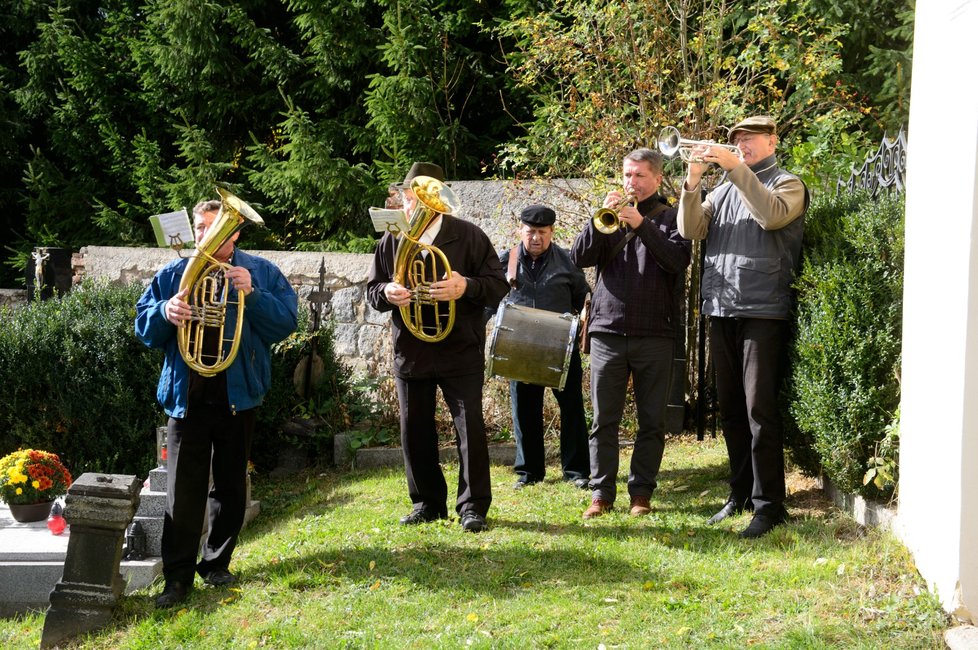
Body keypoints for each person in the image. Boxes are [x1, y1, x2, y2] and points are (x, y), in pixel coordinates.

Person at [135, 197, 298, 608]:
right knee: (182, 492)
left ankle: (217, 564)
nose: (206, 234)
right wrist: (164, 311)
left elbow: (287, 324)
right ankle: (176, 578)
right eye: (202, 227)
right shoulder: (175, 272)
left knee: (229, 485)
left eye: (215, 226)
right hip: (187, 397)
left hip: (237, 394)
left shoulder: (260, 271)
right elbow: (144, 328)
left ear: (236, 232)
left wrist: (254, 295)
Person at [676, 115, 808, 539]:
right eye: (736, 141)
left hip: (763, 309)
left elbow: (771, 217)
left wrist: (735, 168)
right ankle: (741, 494)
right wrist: (694, 182)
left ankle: (771, 506)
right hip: (721, 306)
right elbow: (689, 229)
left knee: (758, 411)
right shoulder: (723, 189)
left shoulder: (788, 183)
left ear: (772, 140)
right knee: (730, 409)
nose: (742, 145)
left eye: (749, 140)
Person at [366, 162, 509, 533]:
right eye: (409, 197)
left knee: (470, 428)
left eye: (419, 197)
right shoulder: (392, 240)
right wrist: (387, 292)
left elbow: (497, 285)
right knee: (414, 429)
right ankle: (427, 502)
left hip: (460, 347)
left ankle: (473, 505)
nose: (413, 204)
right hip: (411, 349)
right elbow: (372, 291)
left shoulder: (469, 236)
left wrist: (466, 287)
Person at [571, 149, 691, 519]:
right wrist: (596, 221)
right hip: (607, 331)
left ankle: (641, 492)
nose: (631, 182)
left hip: (655, 333)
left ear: (657, 179)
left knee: (651, 420)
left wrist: (641, 224)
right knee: (603, 420)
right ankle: (601, 493)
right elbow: (579, 257)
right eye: (626, 174)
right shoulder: (609, 218)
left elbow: (677, 261)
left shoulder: (671, 217)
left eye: (639, 176)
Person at [498, 204, 591, 490]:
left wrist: (578, 324)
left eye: (542, 232)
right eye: (530, 232)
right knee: (524, 410)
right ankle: (529, 472)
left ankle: (576, 472)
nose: (535, 237)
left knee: (572, 408)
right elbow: (490, 299)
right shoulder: (506, 261)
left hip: (560, 347)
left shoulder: (567, 262)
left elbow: (582, 297)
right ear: (520, 231)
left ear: (551, 232)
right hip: (520, 348)